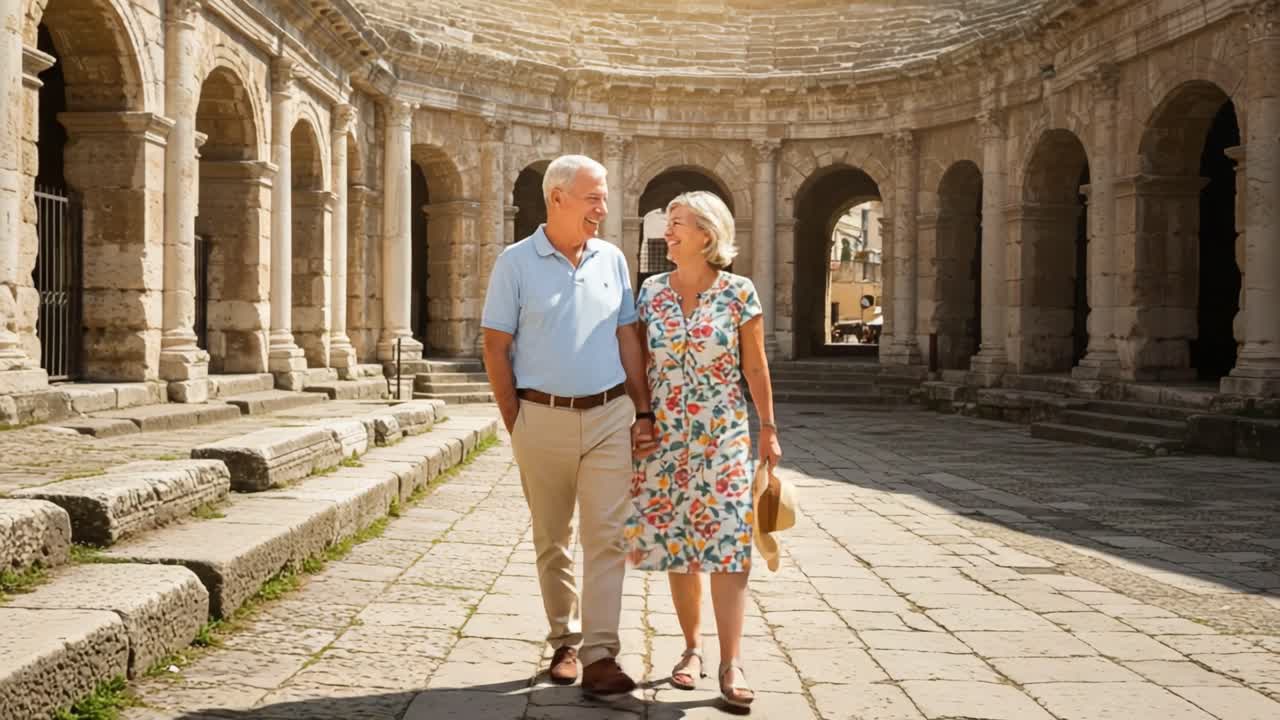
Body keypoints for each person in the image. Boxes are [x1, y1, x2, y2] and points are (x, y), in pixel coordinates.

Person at [481, 154, 657, 697]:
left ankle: (602, 654)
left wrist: (642, 409)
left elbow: (629, 336)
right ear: (556, 198)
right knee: (552, 537)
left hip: (609, 416)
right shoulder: (515, 262)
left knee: (606, 536)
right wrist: (518, 419)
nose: (603, 208)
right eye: (593, 197)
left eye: (603, 197)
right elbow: (495, 345)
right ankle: (566, 640)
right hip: (541, 416)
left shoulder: (612, 259)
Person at [627, 191, 782, 709]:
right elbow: (640, 363)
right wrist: (641, 417)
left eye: (676, 224)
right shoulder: (650, 292)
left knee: (729, 544)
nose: (666, 231)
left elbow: (755, 367)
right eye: (668, 223)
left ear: (706, 234)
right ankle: (691, 649)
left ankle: (730, 661)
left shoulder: (739, 293)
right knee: (677, 543)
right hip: (665, 436)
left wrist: (769, 429)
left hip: (725, 434)